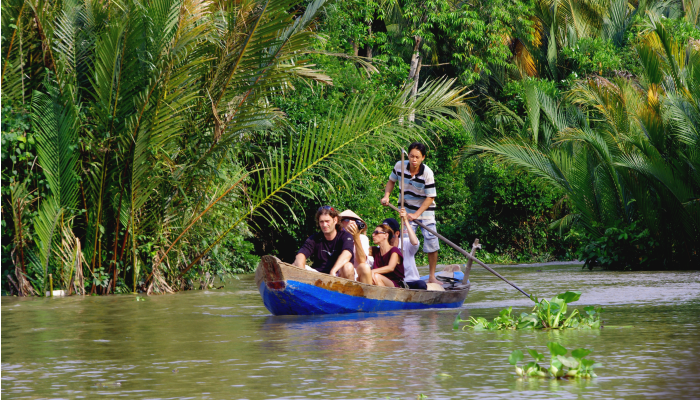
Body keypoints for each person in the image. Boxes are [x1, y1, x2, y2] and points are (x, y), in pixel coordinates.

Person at [381, 142, 441, 284]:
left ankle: (432, 276)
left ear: (423, 158)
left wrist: (416, 215)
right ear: (408, 155)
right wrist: (387, 195)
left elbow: (430, 197)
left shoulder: (427, 172)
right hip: (406, 209)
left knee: (431, 241)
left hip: (426, 211)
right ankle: (403, 276)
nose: (414, 160)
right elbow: (391, 181)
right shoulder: (399, 165)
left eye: (417, 157)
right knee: (404, 244)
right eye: (412, 156)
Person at [294, 206, 355, 279]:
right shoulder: (315, 238)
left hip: (338, 275)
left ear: (335, 220)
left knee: (348, 267)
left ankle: (347, 290)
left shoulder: (345, 236)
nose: (324, 225)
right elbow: (301, 255)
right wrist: (302, 271)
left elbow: (347, 253)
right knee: (295, 264)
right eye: (321, 222)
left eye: (327, 221)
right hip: (319, 276)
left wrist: (333, 271)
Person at [382, 212, 427, 290]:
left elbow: (415, 242)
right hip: (393, 284)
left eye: (387, 232)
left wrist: (406, 221)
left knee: (421, 285)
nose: (384, 235)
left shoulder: (406, 242)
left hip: (410, 282)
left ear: (396, 233)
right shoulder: (381, 247)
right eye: (383, 232)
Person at [338, 209, 373, 284]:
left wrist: (356, 237)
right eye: (347, 219)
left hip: (357, 275)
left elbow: (362, 261)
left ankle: (367, 294)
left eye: (355, 220)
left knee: (365, 267)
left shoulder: (363, 238)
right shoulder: (337, 237)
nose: (351, 222)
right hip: (340, 272)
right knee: (347, 267)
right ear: (340, 223)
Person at [368, 223, 405, 287]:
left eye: (376, 232)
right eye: (373, 233)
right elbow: (362, 252)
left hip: (395, 285)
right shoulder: (374, 250)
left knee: (376, 276)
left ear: (386, 235)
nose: (373, 235)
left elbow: (390, 268)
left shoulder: (394, 250)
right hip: (380, 282)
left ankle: (382, 297)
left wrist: (372, 271)